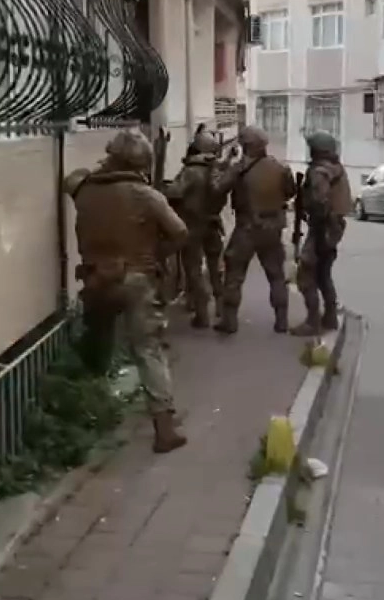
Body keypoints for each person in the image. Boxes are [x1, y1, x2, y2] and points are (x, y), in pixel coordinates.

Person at [63, 129, 190, 453]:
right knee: (148, 350)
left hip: (95, 279)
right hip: (136, 279)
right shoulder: (146, 195)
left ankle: (88, 409)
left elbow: (71, 180)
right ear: (141, 163)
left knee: (98, 344)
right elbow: (180, 232)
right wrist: (156, 254)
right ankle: (164, 430)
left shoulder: (84, 189)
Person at [212, 126, 296, 334]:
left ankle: (229, 321)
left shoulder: (239, 169)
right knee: (276, 275)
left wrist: (219, 166)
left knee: (234, 274)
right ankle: (281, 320)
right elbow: (289, 192)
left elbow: (217, 188)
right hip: (273, 228)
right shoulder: (280, 168)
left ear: (246, 146)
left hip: (247, 228)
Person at [292, 131, 352, 335]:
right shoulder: (336, 168)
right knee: (323, 274)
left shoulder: (320, 172)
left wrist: (312, 216)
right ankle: (330, 317)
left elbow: (319, 201)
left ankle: (313, 321)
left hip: (322, 227)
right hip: (332, 227)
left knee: (306, 275)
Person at [166, 130, 226, 328]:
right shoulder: (218, 169)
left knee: (193, 269)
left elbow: (175, 192)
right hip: (213, 223)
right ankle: (221, 307)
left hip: (193, 225)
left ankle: (202, 314)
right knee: (215, 268)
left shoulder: (191, 171)